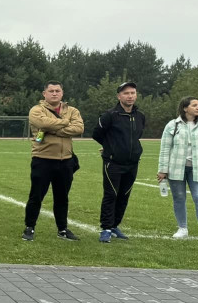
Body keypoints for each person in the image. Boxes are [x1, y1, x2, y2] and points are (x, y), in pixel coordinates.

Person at [22, 81, 84, 241]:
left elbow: (79, 128)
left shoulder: (72, 110)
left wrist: (52, 129)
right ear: (44, 93)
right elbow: (42, 123)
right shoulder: (37, 110)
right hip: (42, 160)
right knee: (36, 196)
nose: (54, 93)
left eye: (57, 90)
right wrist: (64, 123)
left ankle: (62, 229)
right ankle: (29, 227)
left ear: (62, 93)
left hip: (66, 161)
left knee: (62, 197)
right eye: (51, 91)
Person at [92, 81, 145, 243]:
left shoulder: (140, 116)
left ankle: (115, 225)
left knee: (124, 195)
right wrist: (109, 147)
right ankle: (106, 228)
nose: (130, 96)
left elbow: (137, 136)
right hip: (113, 163)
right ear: (119, 96)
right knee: (111, 195)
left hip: (132, 163)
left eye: (132, 93)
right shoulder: (109, 115)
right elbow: (97, 134)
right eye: (126, 93)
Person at [157, 96, 198, 238]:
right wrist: (162, 170)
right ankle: (182, 228)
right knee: (179, 197)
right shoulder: (172, 125)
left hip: (197, 169)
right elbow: (165, 148)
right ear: (185, 108)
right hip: (176, 169)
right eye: (194, 105)